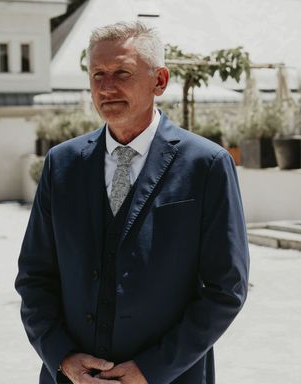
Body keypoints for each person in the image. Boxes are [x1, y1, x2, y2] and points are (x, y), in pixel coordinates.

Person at [15, 21, 250, 384]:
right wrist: (62, 357)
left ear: (160, 80)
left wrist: (152, 370)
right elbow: (34, 277)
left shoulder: (207, 165)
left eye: (122, 73)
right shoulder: (62, 164)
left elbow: (226, 289)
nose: (107, 88)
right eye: (97, 75)